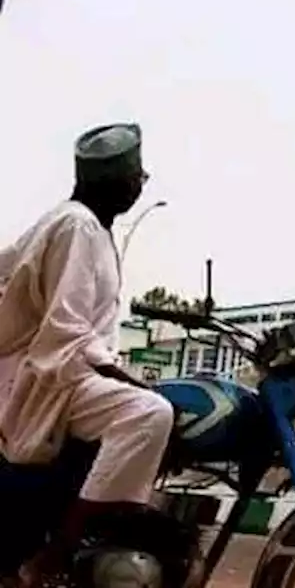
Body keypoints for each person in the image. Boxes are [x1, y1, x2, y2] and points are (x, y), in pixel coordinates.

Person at [0, 123, 174, 586]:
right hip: (52, 377)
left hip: (65, 371)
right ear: (113, 179)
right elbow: (67, 326)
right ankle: (58, 553)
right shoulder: (76, 225)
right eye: (137, 176)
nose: (140, 185)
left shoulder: (82, 225)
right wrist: (121, 375)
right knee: (150, 412)